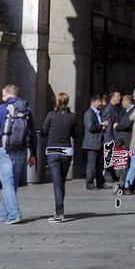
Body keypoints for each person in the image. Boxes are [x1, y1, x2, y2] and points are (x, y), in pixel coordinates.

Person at [0, 82, 33, 223]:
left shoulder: (2, 109)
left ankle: (14, 214)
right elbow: (33, 132)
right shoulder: (27, 109)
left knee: (7, 182)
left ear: (8, 95)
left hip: (4, 149)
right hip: (21, 149)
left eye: (3, 95)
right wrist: (33, 153)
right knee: (12, 184)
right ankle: (4, 213)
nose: (2, 98)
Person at [44, 92, 79, 220]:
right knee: (62, 182)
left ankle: (59, 212)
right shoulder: (72, 117)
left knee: (57, 183)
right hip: (66, 151)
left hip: (53, 150)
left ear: (57, 102)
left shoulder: (51, 115)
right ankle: (60, 209)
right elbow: (75, 134)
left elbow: (44, 130)